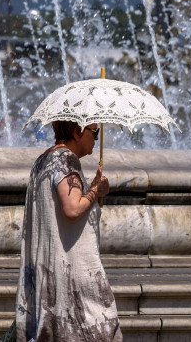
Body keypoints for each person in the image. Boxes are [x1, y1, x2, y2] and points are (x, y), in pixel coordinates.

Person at [15, 120, 121, 341]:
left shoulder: (43, 160)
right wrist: (95, 190)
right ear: (76, 131)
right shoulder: (66, 158)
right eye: (94, 131)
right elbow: (72, 209)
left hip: (50, 269)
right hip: (72, 271)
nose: (97, 138)